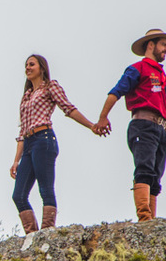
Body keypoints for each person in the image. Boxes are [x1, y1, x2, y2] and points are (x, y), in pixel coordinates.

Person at [94, 28, 166, 221]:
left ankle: (151, 219)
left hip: (160, 129)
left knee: (156, 176)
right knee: (144, 168)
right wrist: (103, 117)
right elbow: (115, 92)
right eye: (163, 44)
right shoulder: (137, 69)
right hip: (143, 124)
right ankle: (144, 217)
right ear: (151, 45)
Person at [11, 54, 104, 233]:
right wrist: (16, 160)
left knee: (45, 188)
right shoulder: (26, 96)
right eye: (26, 65)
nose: (28, 68)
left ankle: (47, 232)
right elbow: (22, 131)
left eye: (32, 64)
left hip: (44, 140)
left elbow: (68, 108)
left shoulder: (50, 87)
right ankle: (32, 235)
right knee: (18, 195)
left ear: (42, 68)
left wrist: (91, 125)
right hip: (29, 142)